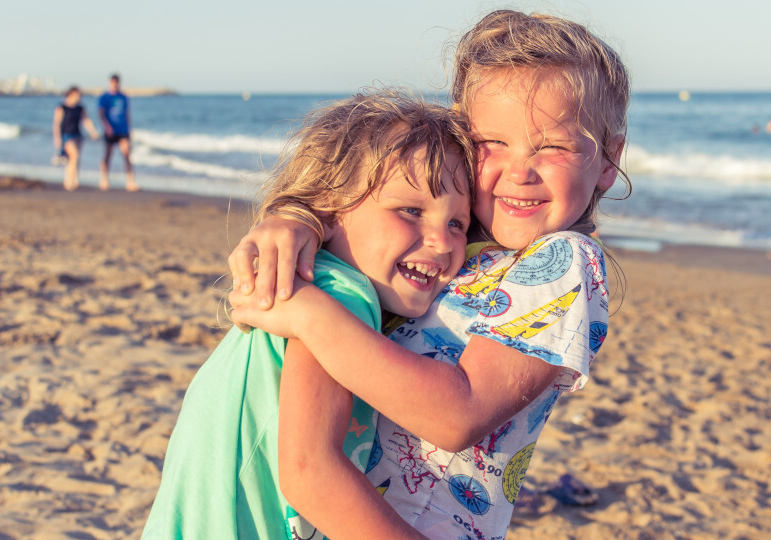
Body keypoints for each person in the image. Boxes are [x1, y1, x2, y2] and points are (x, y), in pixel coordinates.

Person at [227, 10, 629, 538]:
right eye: (493, 144)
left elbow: (456, 415)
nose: (519, 171)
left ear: (607, 158)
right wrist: (298, 219)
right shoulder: (457, 245)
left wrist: (305, 310)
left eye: (552, 146)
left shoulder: (565, 261)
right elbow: (367, 208)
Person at [142, 90, 475, 539]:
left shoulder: (326, 283)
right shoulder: (339, 294)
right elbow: (310, 472)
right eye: (410, 210)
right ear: (331, 210)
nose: (440, 240)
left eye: (457, 223)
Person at [52, 86, 99, 191]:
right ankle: (69, 181)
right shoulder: (61, 107)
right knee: (74, 156)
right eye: (77, 94)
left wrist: (93, 132)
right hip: (66, 136)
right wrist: (57, 138)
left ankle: (73, 179)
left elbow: (86, 120)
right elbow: (56, 124)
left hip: (78, 135)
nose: (79, 97)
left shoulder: (80, 108)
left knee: (74, 159)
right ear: (71, 94)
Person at [98, 73, 138, 191]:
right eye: (113, 82)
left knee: (126, 155)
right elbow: (101, 113)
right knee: (107, 155)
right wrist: (106, 126)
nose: (115, 84)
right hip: (110, 130)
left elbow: (127, 114)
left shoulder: (124, 97)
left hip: (123, 130)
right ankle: (104, 180)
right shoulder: (104, 97)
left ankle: (130, 182)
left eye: (117, 82)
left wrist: (130, 129)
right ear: (110, 82)